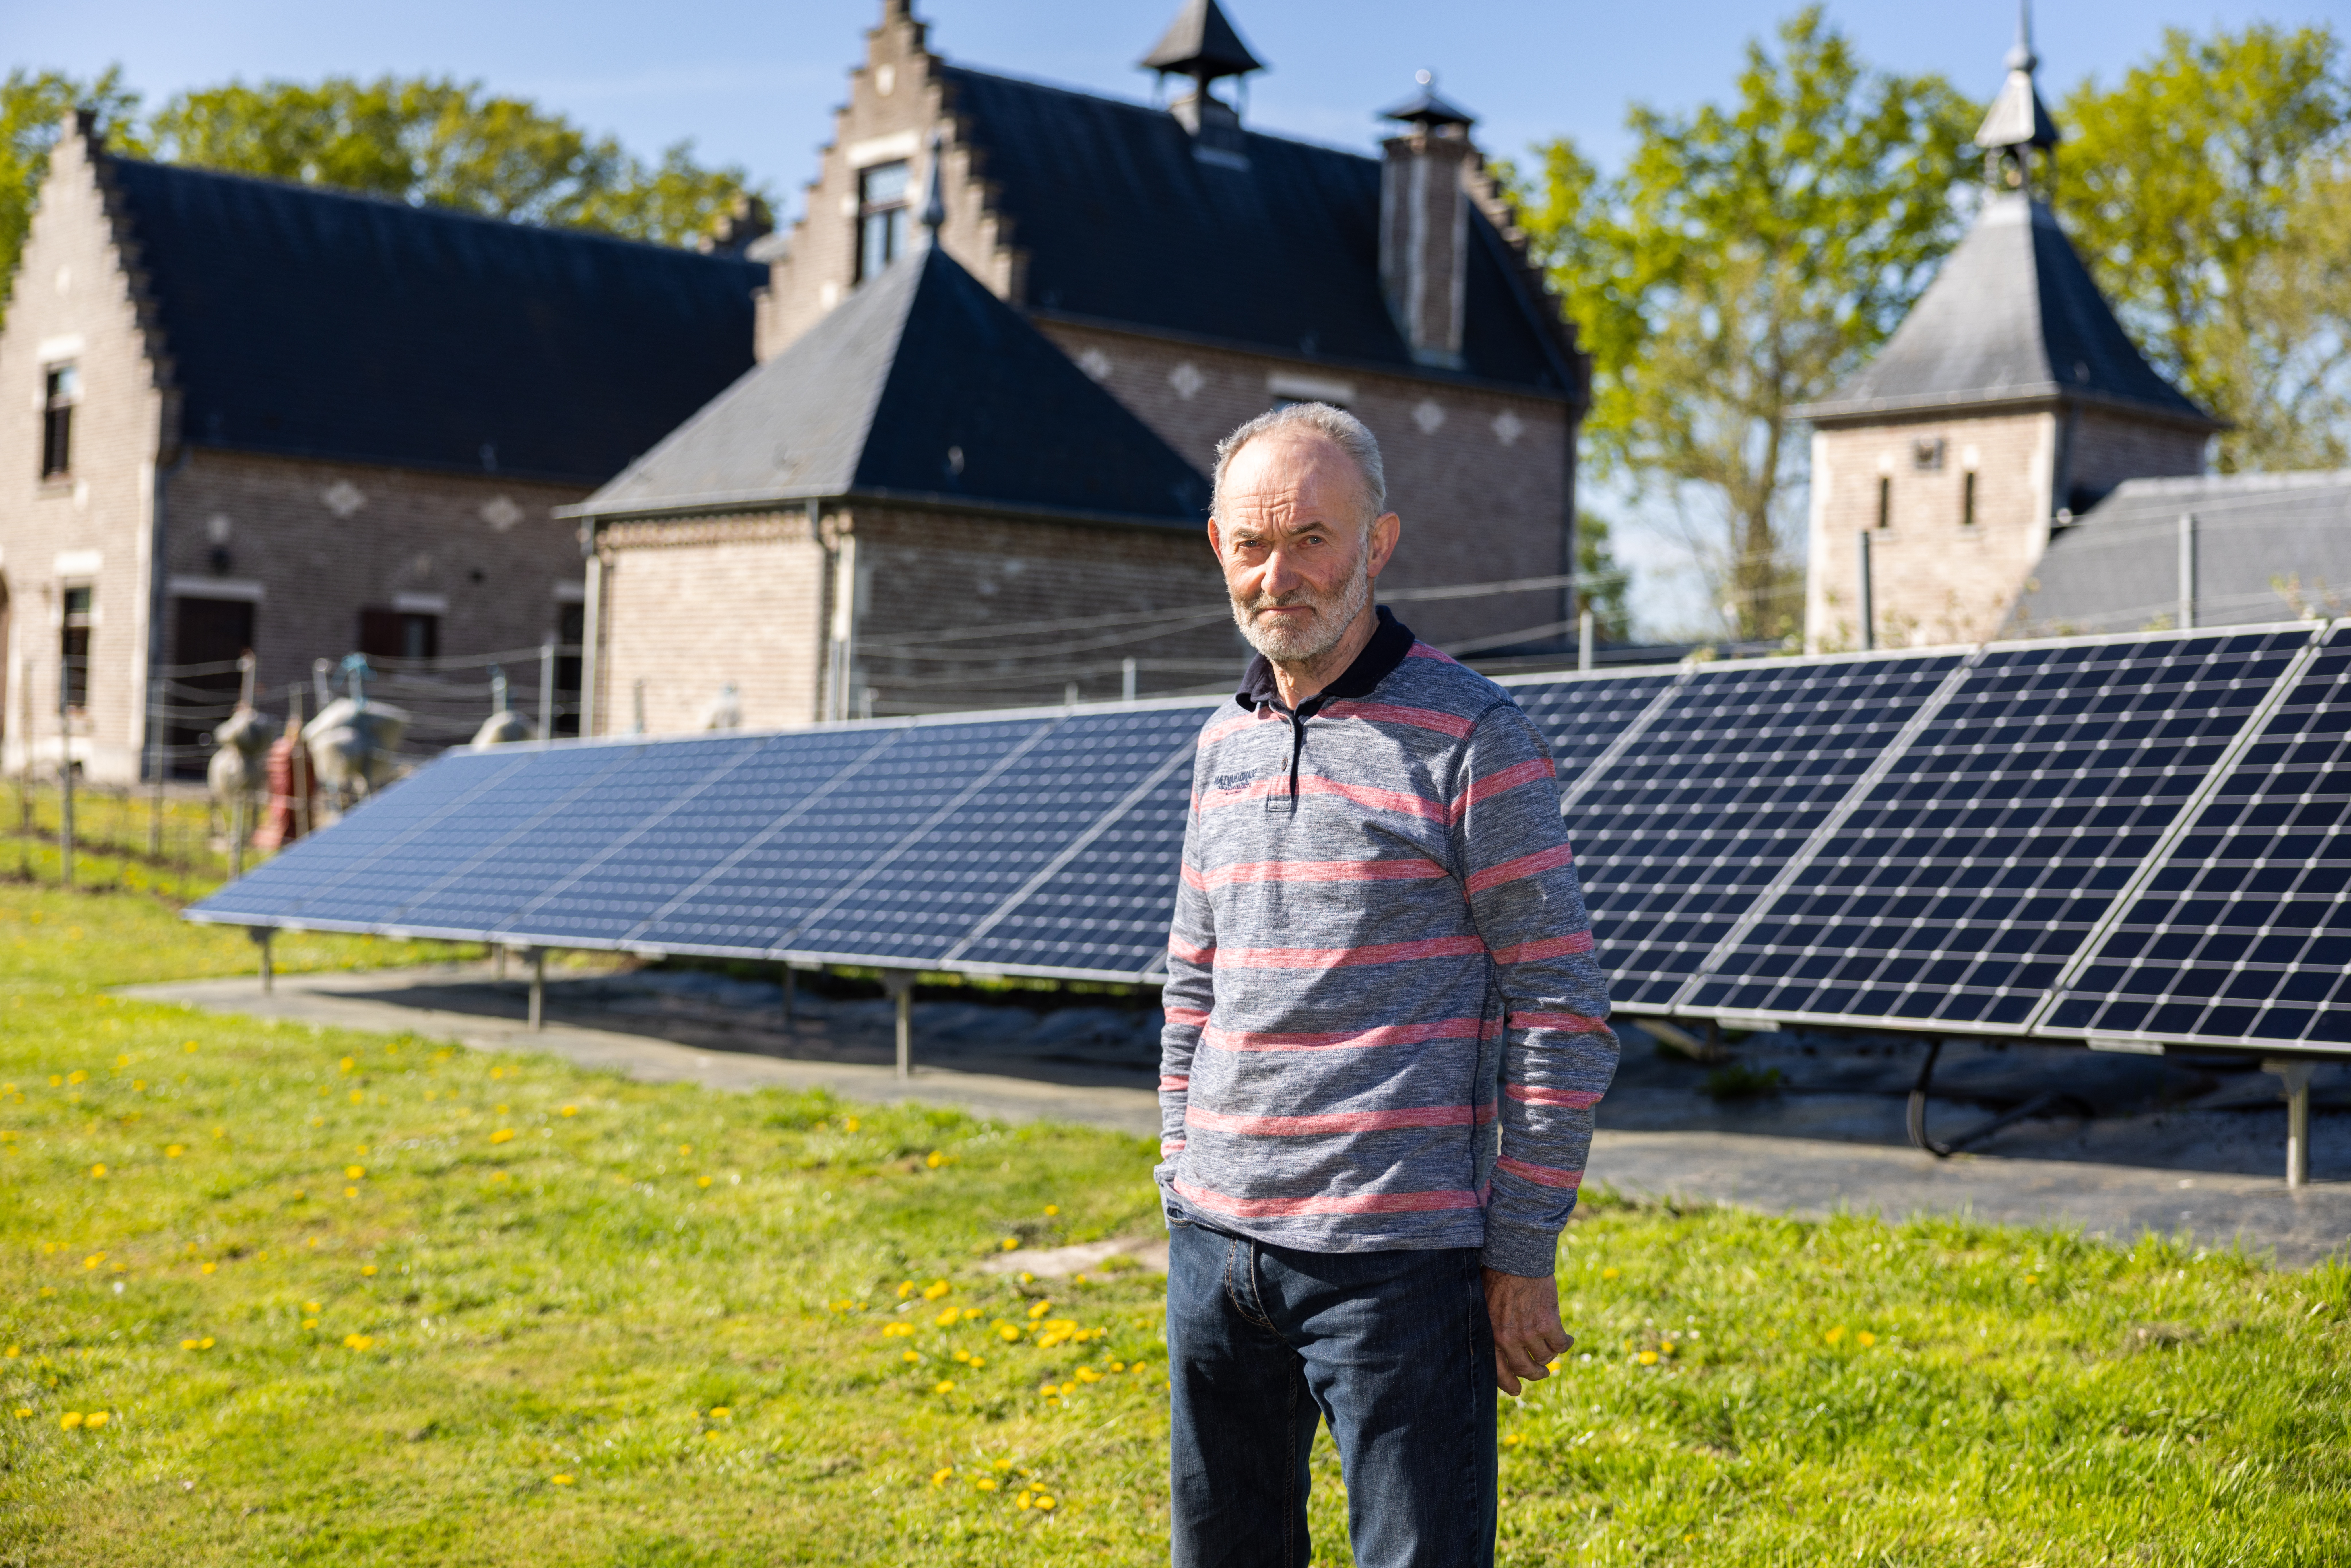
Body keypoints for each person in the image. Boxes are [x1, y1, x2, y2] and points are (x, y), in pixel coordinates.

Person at [1159, 402, 1618, 1568]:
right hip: (1217, 1256)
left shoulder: (1473, 737)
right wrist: (1180, 1169)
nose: (1280, 573)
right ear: (1219, 548)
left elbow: (1558, 1012)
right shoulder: (1224, 742)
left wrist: (1519, 1247)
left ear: (1379, 542)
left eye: (1313, 537)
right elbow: (1191, 986)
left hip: (1396, 1267)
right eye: (1253, 544)